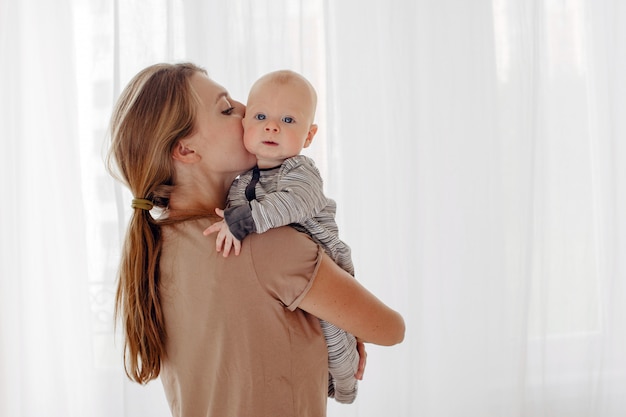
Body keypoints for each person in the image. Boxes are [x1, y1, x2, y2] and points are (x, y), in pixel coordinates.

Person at [106, 62, 405, 417]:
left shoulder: (156, 246)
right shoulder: (266, 246)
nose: (248, 112)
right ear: (185, 150)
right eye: (227, 108)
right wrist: (339, 326)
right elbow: (390, 330)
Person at [204, 70, 358, 403]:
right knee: (305, 338)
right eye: (261, 116)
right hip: (282, 284)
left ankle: (344, 388)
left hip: (324, 263)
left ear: (309, 135)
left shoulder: (300, 170)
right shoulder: (240, 179)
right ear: (246, 125)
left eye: (288, 120)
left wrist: (242, 221)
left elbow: (296, 202)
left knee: (336, 335)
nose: (272, 126)